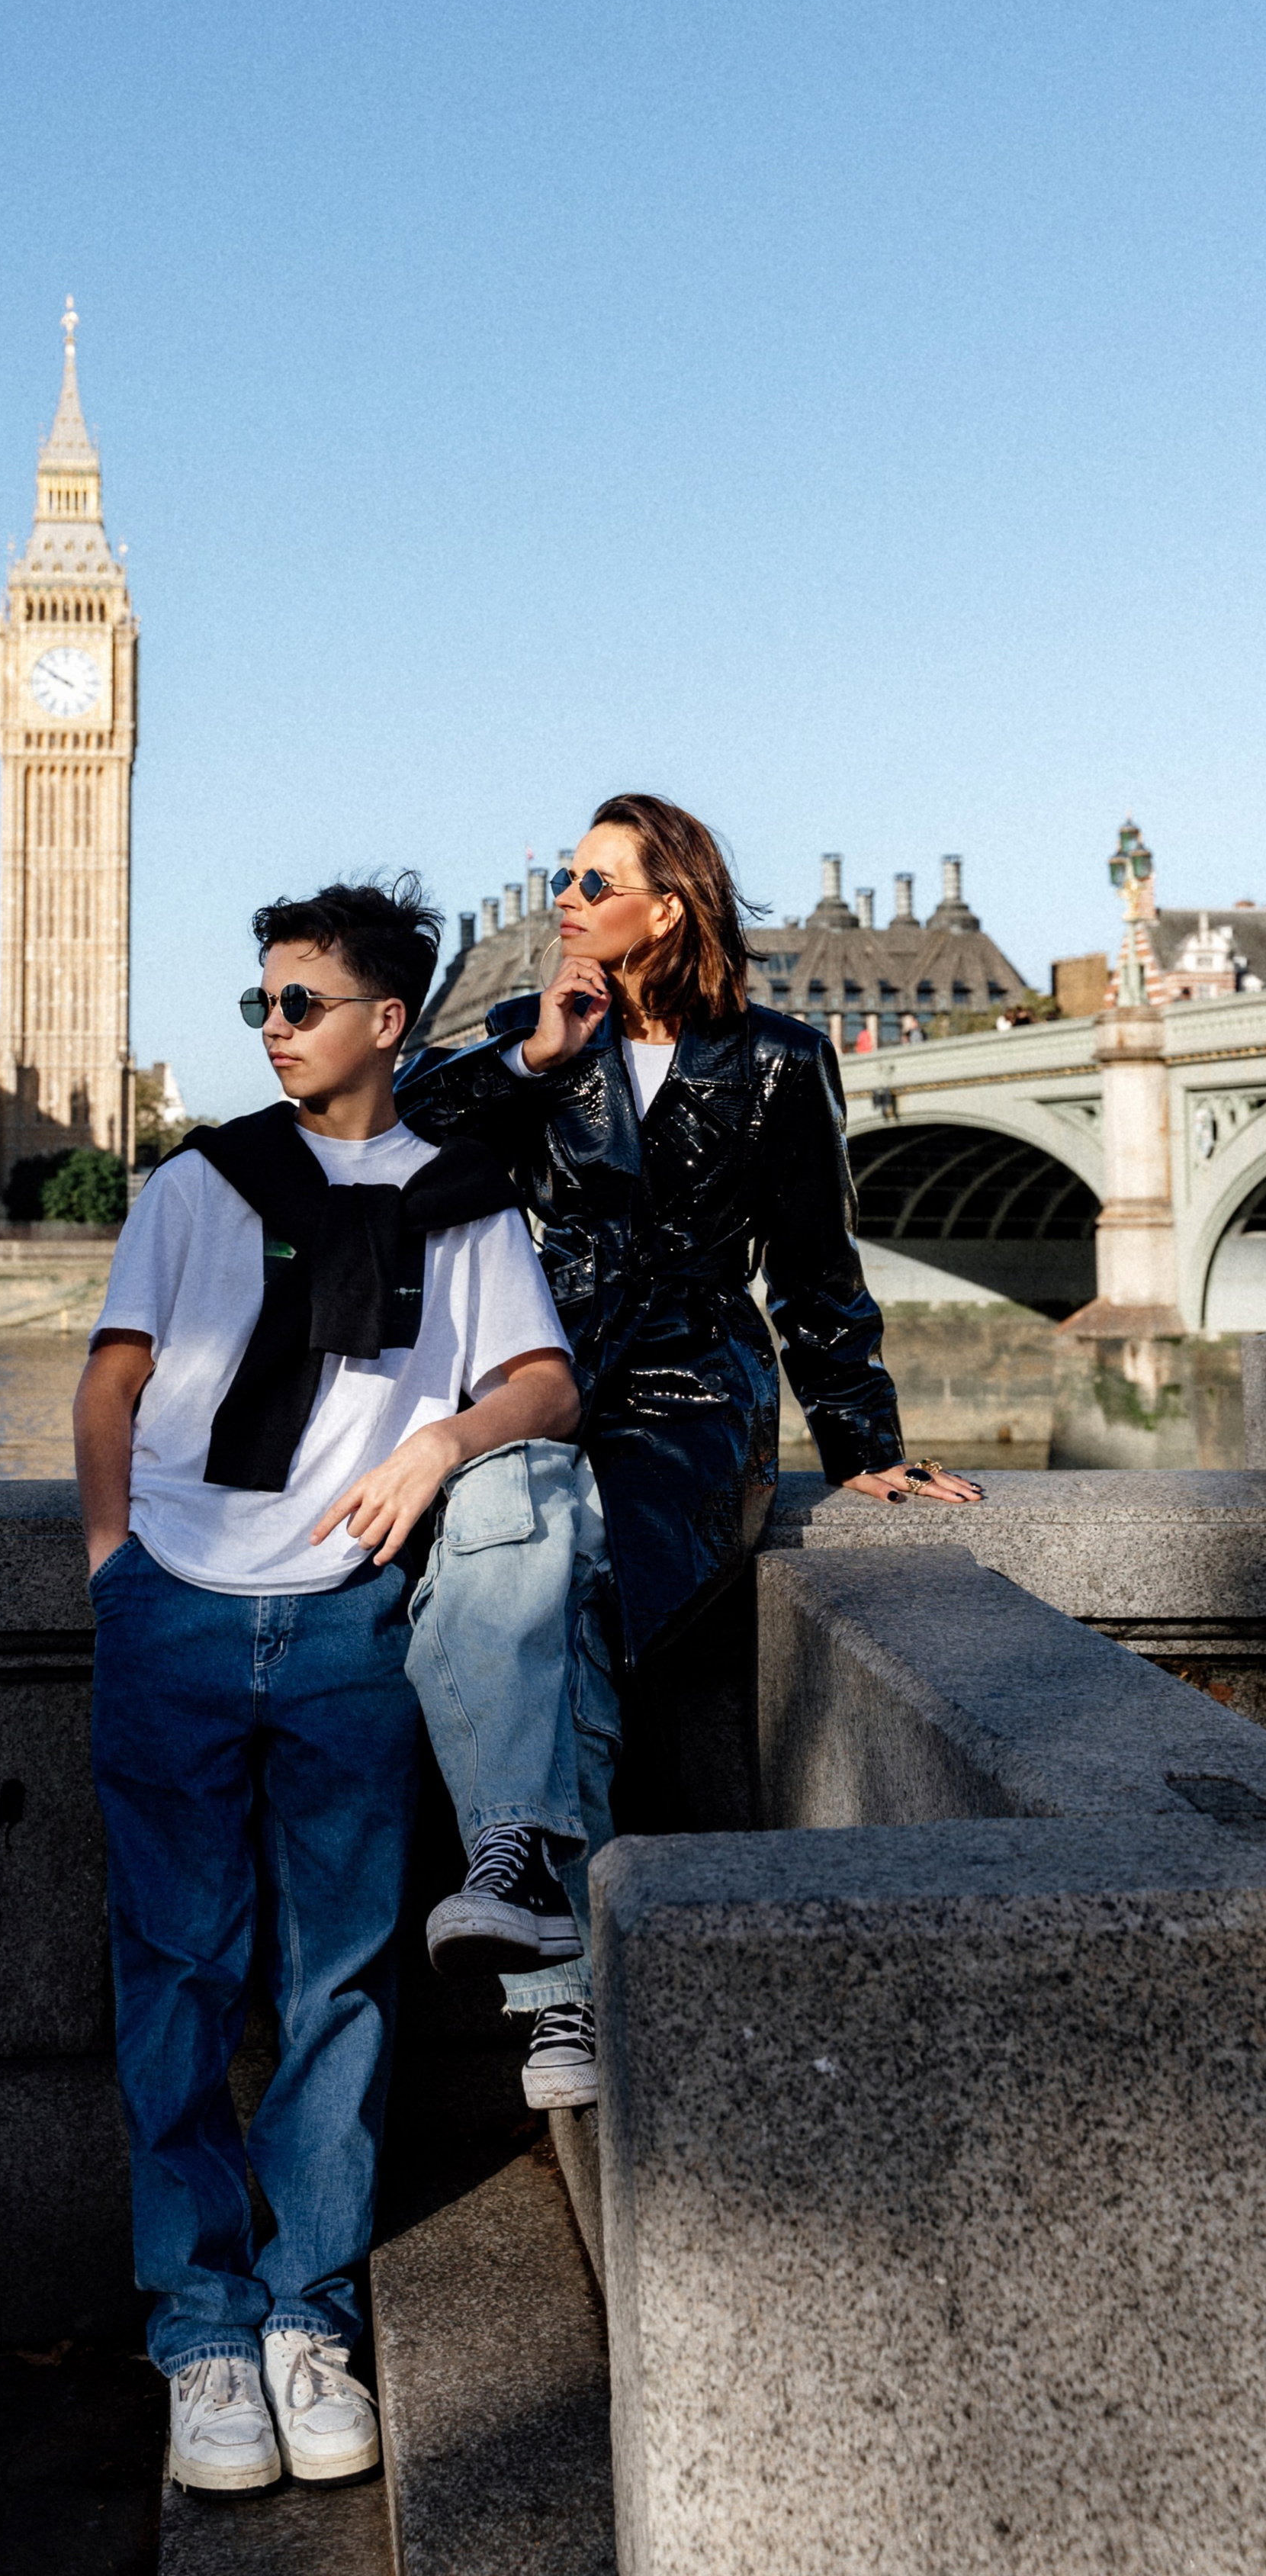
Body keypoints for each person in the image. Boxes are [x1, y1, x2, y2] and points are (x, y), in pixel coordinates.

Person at [74, 876, 578, 2500]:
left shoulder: (459, 1197)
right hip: (178, 1613)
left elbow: (546, 1382)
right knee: (174, 1974)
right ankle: (202, 2327)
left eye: (298, 1002)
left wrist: (441, 1438)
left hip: (349, 1624)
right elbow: (112, 1379)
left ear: (385, 1021)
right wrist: (112, 1567)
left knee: (338, 1984)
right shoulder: (193, 1183)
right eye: (260, 1003)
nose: (272, 1028)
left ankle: (307, 2312)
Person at [396, 793, 983, 2101]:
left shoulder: (777, 1059)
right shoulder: (535, 1039)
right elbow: (401, 1144)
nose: (566, 897)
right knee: (521, 1563)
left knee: (564, 1575)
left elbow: (819, 1272)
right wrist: (537, 1055)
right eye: (563, 875)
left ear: (667, 908)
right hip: (548, 1381)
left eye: (594, 882)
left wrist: (864, 1442)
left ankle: (535, 1930)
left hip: (689, 1398)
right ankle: (560, 1968)